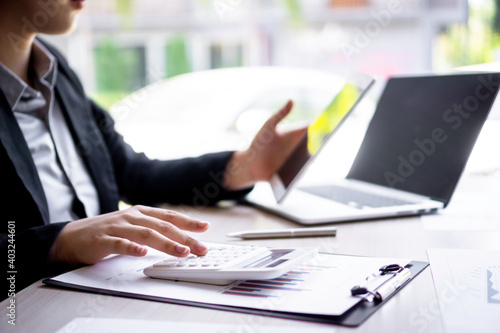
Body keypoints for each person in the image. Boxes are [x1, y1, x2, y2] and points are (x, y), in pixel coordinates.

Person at [0, 0, 306, 294]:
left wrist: (242, 166)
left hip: (104, 291)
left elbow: (132, 174)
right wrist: (59, 243)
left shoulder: (58, 73)